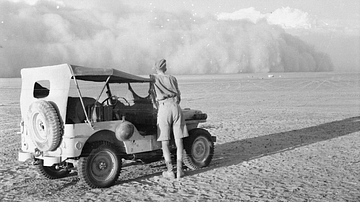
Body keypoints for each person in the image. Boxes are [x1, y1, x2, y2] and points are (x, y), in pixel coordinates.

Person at [150, 59, 189, 180]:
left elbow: (152, 97)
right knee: (179, 140)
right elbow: (179, 96)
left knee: (164, 141)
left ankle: (170, 171)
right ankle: (179, 170)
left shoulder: (153, 78)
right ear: (165, 67)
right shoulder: (173, 78)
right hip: (176, 107)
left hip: (163, 108)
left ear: (156, 68)